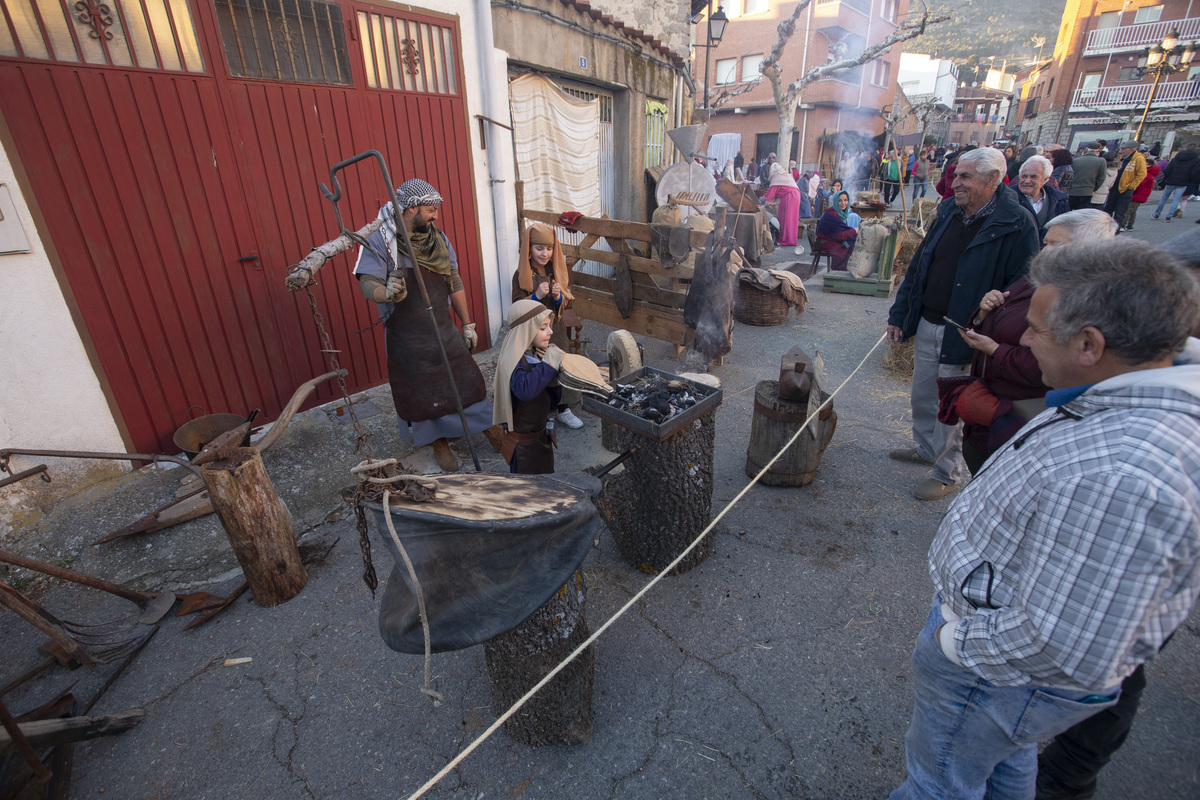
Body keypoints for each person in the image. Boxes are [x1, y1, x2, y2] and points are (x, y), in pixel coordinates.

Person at [886, 237, 1200, 800]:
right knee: (1005, 761)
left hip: (995, 674)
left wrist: (956, 644)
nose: (1024, 338)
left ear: (1089, 343)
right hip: (1007, 671)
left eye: (1034, 327)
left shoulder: (1124, 473)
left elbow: (1067, 647)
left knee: (938, 785)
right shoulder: (1115, 396)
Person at [886, 147, 1040, 501]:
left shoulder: (1016, 221)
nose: (955, 183)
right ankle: (925, 448)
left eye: (965, 177)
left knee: (953, 403)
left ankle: (947, 472)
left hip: (969, 332)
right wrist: (899, 315)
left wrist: (991, 325)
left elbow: (1024, 283)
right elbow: (919, 267)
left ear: (992, 180)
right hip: (929, 320)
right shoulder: (947, 212)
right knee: (923, 394)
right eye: (956, 175)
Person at [951, 209, 1117, 475]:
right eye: (1046, 242)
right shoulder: (1036, 279)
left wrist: (995, 351)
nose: (1044, 251)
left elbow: (1048, 365)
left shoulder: (1086, 300)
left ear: (1087, 250)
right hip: (991, 409)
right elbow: (998, 321)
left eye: (1055, 245)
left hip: (1020, 419)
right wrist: (984, 312)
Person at [353, 178, 491, 472]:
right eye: (430, 209)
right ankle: (437, 440)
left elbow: (453, 279)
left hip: (442, 327)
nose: (435, 216)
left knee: (465, 378)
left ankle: (482, 426)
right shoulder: (381, 239)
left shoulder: (436, 239)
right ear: (411, 207)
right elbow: (367, 283)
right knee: (420, 392)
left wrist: (468, 324)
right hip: (407, 335)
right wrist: (386, 292)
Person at [512, 223, 584, 429]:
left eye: (549, 248)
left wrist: (559, 297)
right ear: (529, 249)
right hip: (533, 334)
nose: (545, 253)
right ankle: (542, 411)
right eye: (539, 248)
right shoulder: (521, 274)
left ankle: (563, 409)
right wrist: (536, 296)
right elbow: (516, 306)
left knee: (560, 366)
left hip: (556, 328)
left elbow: (567, 302)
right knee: (538, 369)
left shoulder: (556, 270)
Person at [492, 299, 566, 474]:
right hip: (523, 447)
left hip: (541, 439)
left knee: (545, 481)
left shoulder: (535, 354)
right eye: (542, 328)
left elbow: (551, 397)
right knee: (526, 490)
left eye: (549, 326)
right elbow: (525, 390)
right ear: (525, 331)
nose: (550, 331)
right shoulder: (513, 360)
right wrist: (548, 364)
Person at [1016, 155, 1071, 243]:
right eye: (1024, 176)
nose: (1027, 181)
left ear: (1045, 179)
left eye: (1033, 177)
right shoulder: (1007, 199)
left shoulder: (1059, 201)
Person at [1101, 140, 1145, 229]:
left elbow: (1142, 174)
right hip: (1114, 187)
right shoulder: (1121, 157)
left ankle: (1115, 231)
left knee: (1120, 212)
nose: (1122, 150)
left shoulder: (1138, 158)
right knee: (1108, 210)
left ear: (1132, 149)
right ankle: (1104, 228)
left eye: (1124, 149)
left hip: (1126, 189)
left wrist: (1131, 186)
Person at [1153, 143, 1200, 222]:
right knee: (1177, 199)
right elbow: (1194, 173)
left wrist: (1167, 178)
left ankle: (1157, 213)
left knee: (1164, 198)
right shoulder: (1196, 160)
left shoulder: (1177, 158)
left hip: (1171, 180)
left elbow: (1167, 170)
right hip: (1183, 182)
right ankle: (1169, 216)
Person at [815, 191, 859, 271]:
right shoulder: (832, 214)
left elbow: (841, 231)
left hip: (832, 239)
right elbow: (839, 235)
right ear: (836, 202)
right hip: (825, 242)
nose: (843, 203)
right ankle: (839, 270)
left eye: (845, 200)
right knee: (850, 245)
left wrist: (853, 232)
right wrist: (854, 231)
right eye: (840, 201)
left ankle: (847, 268)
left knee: (854, 239)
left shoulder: (840, 213)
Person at [763, 161, 803, 247]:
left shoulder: (778, 177)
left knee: (786, 218)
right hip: (795, 195)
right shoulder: (787, 175)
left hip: (789, 197)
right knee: (793, 218)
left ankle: (785, 240)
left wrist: (764, 200)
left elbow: (771, 193)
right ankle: (792, 239)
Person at [1068, 141, 1106, 210]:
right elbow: (1101, 178)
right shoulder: (1101, 161)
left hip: (1072, 191)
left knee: (1068, 213)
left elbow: (1070, 175)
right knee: (1081, 215)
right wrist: (1093, 188)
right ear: (1098, 151)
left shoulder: (1076, 160)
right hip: (1086, 192)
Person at [1124, 161, 1159, 230]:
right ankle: (1130, 225)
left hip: (1137, 195)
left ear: (1149, 165)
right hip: (1141, 195)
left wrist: (1131, 190)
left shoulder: (1147, 174)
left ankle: (1123, 224)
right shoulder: (1150, 175)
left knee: (1128, 210)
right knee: (1133, 210)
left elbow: (1139, 185)